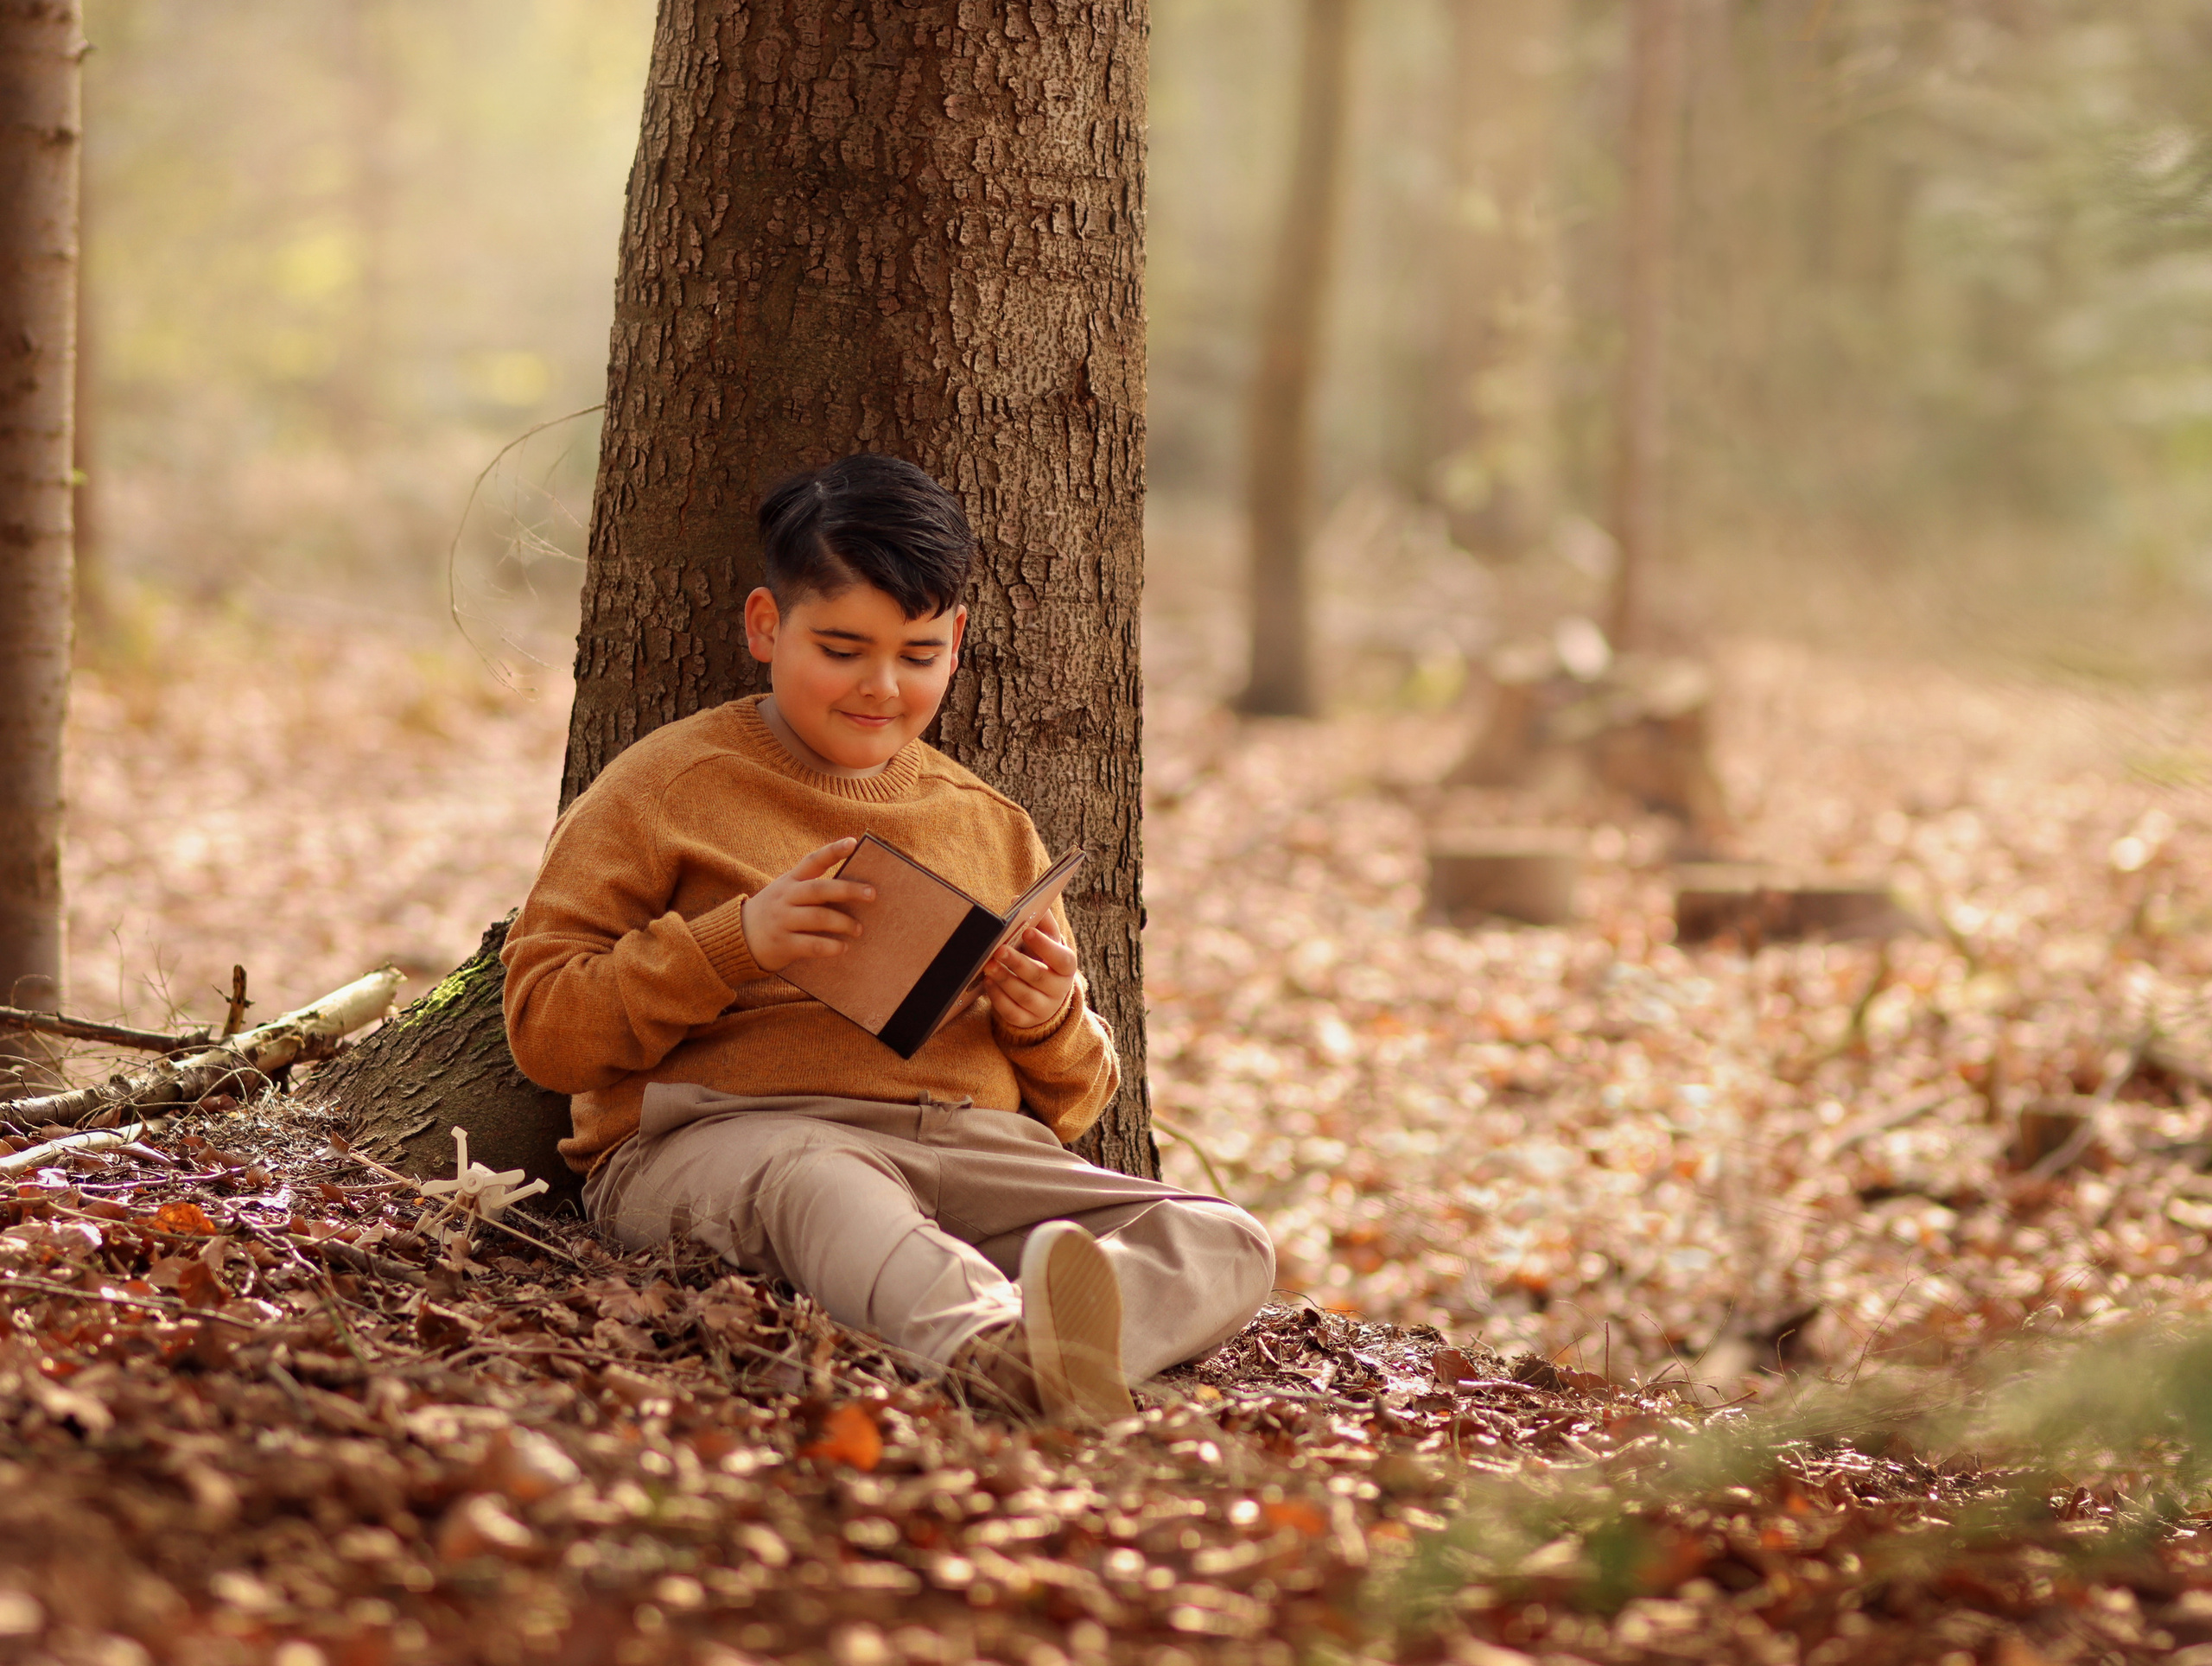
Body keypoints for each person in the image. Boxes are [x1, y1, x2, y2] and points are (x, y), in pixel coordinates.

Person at [502, 454, 1274, 1422]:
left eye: (917, 656)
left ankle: (1055, 1350)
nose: (881, 686)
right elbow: (544, 1028)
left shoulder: (987, 821)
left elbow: (1076, 1105)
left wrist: (1047, 1019)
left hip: (966, 1147)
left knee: (1227, 1238)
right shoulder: (665, 787)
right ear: (765, 625)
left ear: (956, 639)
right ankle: (997, 1352)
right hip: (736, 1143)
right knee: (824, 1182)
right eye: (841, 647)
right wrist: (734, 943)